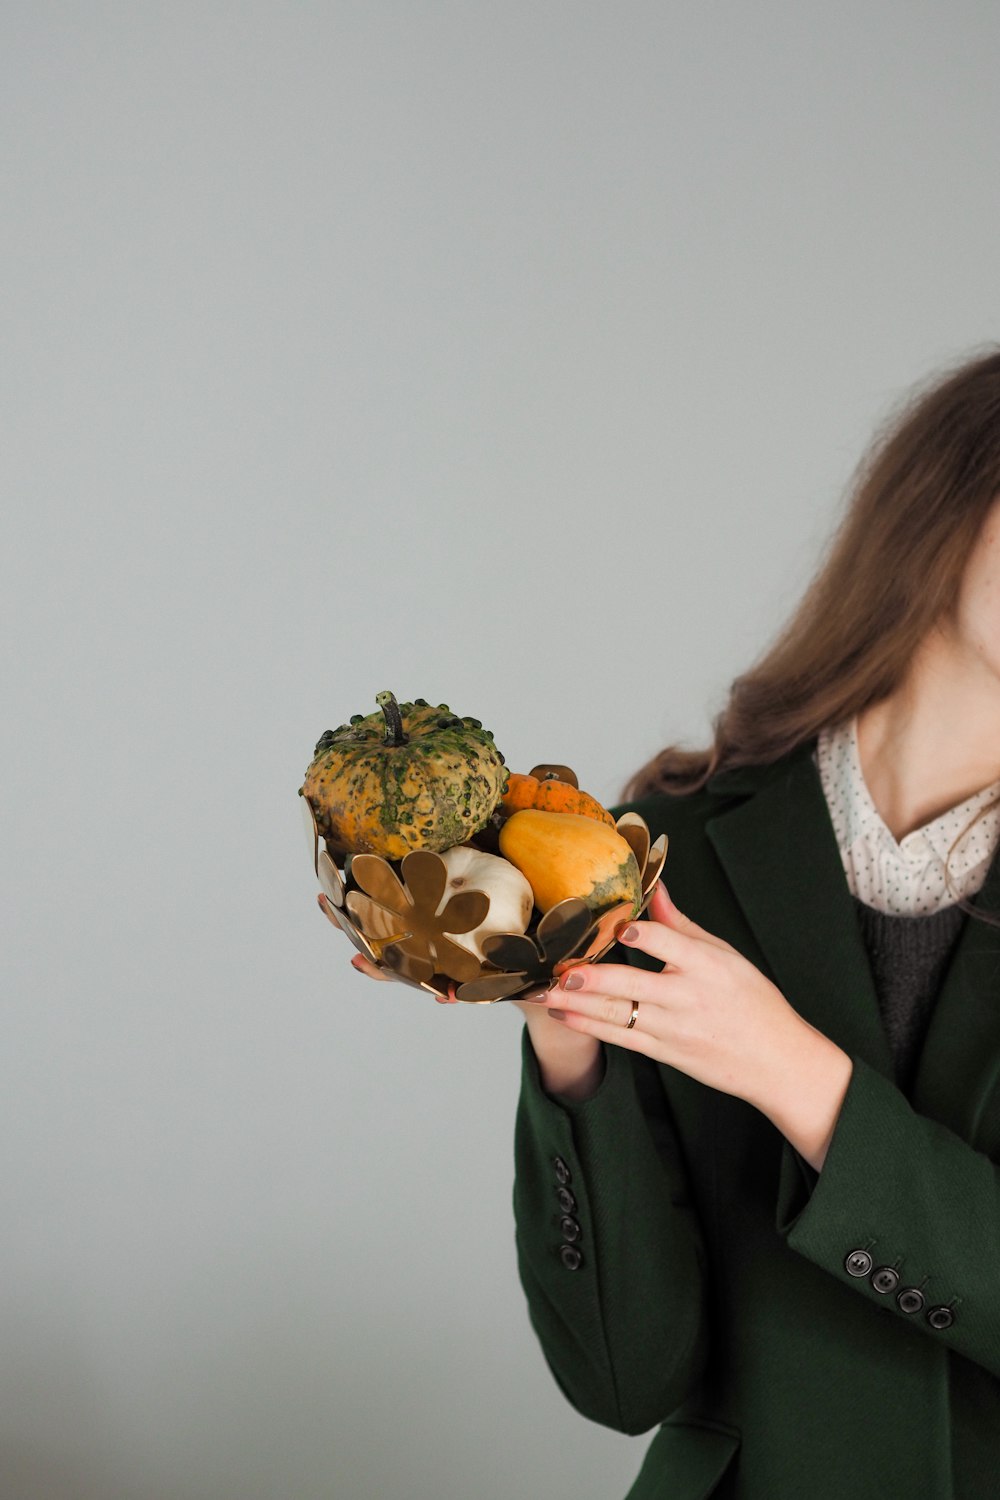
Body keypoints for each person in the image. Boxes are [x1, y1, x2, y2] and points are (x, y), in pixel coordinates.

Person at [352, 345, 1000, 1498]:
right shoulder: (670, 844)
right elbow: (623, 1382)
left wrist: (789, 1071)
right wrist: (569, 1050)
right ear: (945, 503)